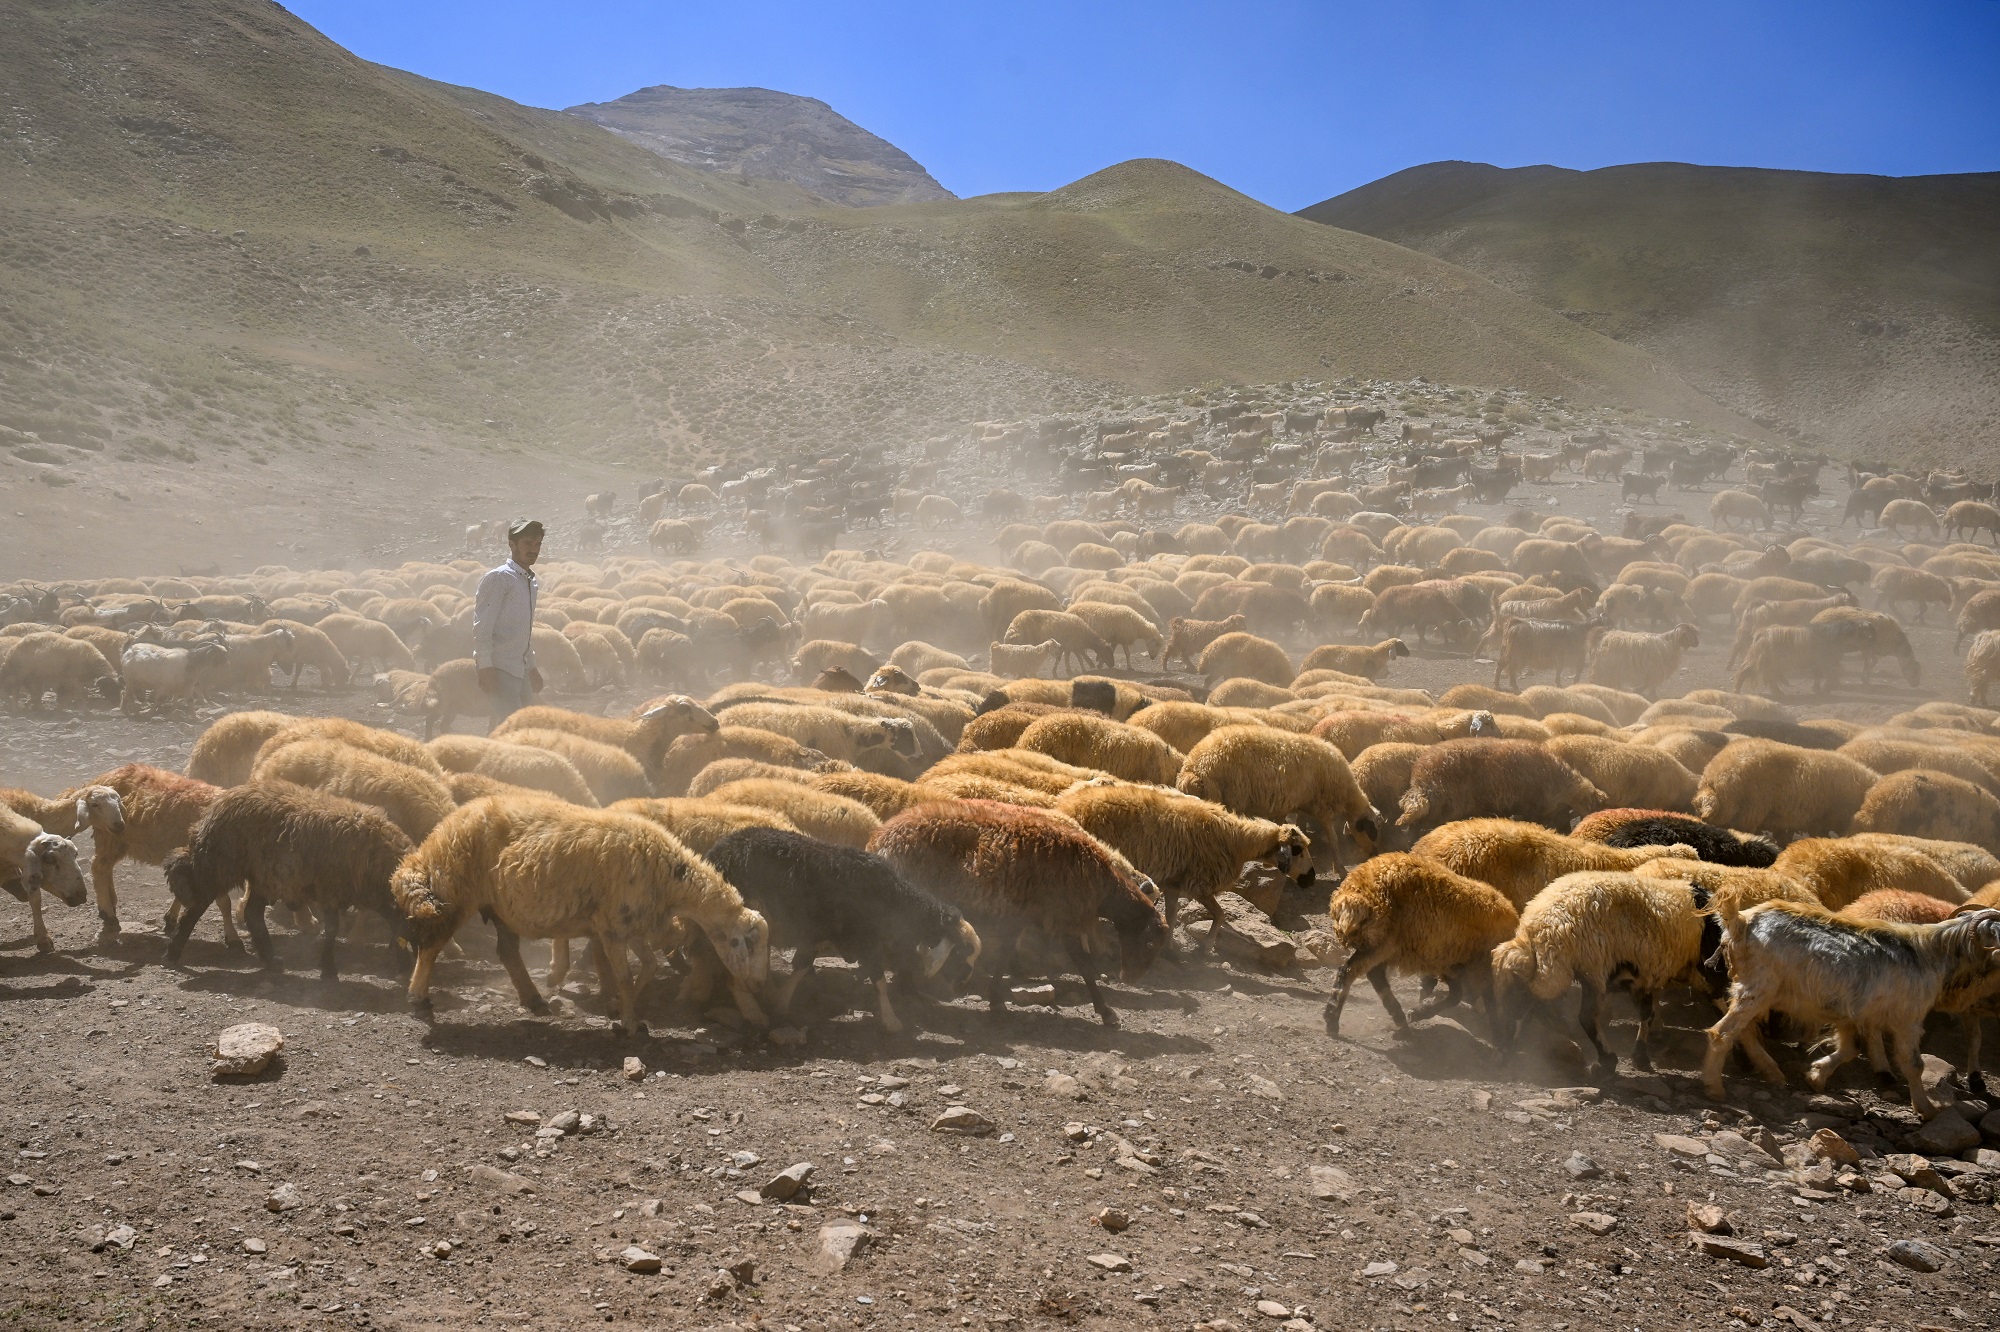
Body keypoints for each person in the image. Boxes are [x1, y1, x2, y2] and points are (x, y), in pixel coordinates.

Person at [473, 519, 544, 731]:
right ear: (512, 545)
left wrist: (531, 666)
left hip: (519, 669)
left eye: (538, 545)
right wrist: (485, 667)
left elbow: (524, 630)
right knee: (514, 730)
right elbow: (482, 626)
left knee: (523, 728)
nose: (533, 550)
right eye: (528, 544)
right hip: (501, 669)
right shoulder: (499, 578)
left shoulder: (530, 582)